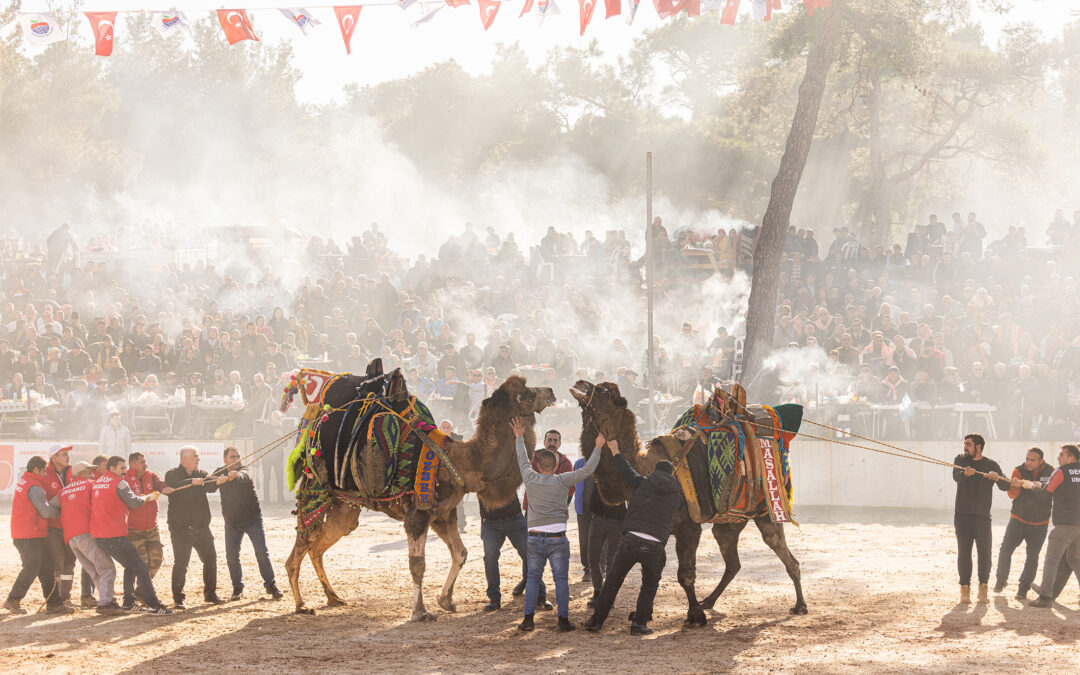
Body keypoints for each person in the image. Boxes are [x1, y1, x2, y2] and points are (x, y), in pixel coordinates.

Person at [584, 439, 684, 635]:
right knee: (649, 584)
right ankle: (639, 624)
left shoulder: (641, 482)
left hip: (631, 539)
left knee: (613, 580)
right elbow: (682, 507)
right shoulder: (676, 496)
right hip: (655, 545)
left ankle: (597, 620)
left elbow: (625, 469)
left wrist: (614, 450)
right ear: (672, 475)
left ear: (654, 472)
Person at [513, 417, 602, 632]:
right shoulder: (563, 479)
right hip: (557, 537)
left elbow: (522, 459)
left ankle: (528, 620)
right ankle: (562, 620)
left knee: (533, 578)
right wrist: (598, 447)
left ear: (539, 465)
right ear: (556, 465)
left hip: (534, 536)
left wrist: (519, 437)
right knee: (561, 580)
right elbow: (589, 469)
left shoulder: (530, 477)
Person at [91, 456, 172, 615]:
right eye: (122, 468)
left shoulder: (98, 482)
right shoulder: (119, 483)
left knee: (131, 565)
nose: (124, 472)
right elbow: (134, 502)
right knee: (141, 567)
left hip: (100, 535)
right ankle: (153, 605)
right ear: (112, 468)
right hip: (115, 535)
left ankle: (129, 602)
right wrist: (151, 496)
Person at [215, 446, 283, 601]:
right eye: (232, 457)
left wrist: (234, 475)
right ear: (225, 459)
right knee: (232, 556)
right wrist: (216, 481)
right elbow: (209, 485)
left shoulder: (245, 470)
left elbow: (244, 476)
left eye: (238, 456)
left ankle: (270, 585)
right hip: (231, 521)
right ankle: (237, 588)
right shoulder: (219, 471)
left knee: (261, 553)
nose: (236, 459)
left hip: (252, 519)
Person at [5, 456, 70, 614]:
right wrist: (64, 512)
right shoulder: (35, 487)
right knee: (33, 566)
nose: (45, 474)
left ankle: (54, 603)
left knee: (46, 568)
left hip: (27, 532)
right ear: (36, 470)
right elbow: (46, 511)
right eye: (43, 471)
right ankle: (13, 599)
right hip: (30, 534)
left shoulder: (26, 481)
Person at [164, 446, 224, 609]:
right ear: (184, 459)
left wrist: (218, 482)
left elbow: (210, 486)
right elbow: (175, 486)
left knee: (210, 559)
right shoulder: (172, 474)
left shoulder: (202, 474)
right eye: (195, 456)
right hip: (180, 528)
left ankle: (210, 594)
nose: (198, 459)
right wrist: (191, 482)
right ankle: (178, 598)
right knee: (181, 563)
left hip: (201, 526)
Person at [59, 461, 120, 615]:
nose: (93, 475)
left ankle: (108, 601)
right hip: (86, 533)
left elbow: (50, 507)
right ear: (83, 473)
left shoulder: (64, 491)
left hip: (71, 538)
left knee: (95, 572)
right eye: (90, 472)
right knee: (106, 568)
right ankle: (106, 604)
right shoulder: (90, 485)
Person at [993, 448, 1054, 599]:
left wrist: (1034, 486)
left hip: (1040, 522)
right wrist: (1015, 486)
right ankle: (1001, 580)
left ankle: (1023, 588)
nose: (1028, 462)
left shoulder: (1052, 471)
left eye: (1032, 460)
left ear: (1041, 461)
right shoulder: (1018, 471)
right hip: (1018, 519)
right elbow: (1012, 495)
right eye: (1027, 459)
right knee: (1006, 549)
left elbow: (1049, 495)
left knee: (1032, 557)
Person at [478, 486, 550, 612]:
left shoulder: (508, 468)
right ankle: (494, 599)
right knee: (490, 557)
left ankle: (541, 596)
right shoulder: (477, 471)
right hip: (490, 523)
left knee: (529, 554)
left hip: (514, 519)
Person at [952, 433, 1005, 604]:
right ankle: (964, 588)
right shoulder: (960, 460)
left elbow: (1005, 486)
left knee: (984, 553)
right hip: (962, 516)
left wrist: (996, 477)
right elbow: (956, 476)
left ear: (979, 447)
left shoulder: (990, 464)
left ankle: (983, 586)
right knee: (964, 553)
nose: (965, 447)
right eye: (965, 444)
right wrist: (965, 475)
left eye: (968, 444)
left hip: (982, 517)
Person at [1030, 444, 1080, 607]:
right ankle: (1047, 592)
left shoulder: (1060, 472)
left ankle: (1045, 596)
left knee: (1051, 560)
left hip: (1064, 525)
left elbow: (1045, 495)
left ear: (1071, 457)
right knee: (1074, 559)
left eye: (1062, 455)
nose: (1058, 457)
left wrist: (1032, 486)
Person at [42, 444, 78, 608]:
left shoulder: (71, 473)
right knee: (57, 563)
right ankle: (55, 600)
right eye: (64, 454)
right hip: (53, 527)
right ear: (53, 457)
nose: (68, 457)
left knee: (70, 562)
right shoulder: (44, 474)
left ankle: (65, 597)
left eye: (68, 454)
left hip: (70, 526)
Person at [124, 452, 168, 584]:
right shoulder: (125, 478)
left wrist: (165, 488)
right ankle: (144, 591)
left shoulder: (151, 475)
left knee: (157, 559)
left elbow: (159, 483)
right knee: (141, 563)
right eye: (142, 462)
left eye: (145, 461)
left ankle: (142, 591)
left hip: (152, 528)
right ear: (133, 464)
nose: (146, 464)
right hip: (134, 530)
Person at [586, 481, 626, 607]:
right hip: (598, 519)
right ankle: (598, 591)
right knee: (592, 559)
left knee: (611, 562)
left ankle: (607, 596)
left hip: (616, 521)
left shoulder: (621, 472)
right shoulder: (599, 469)